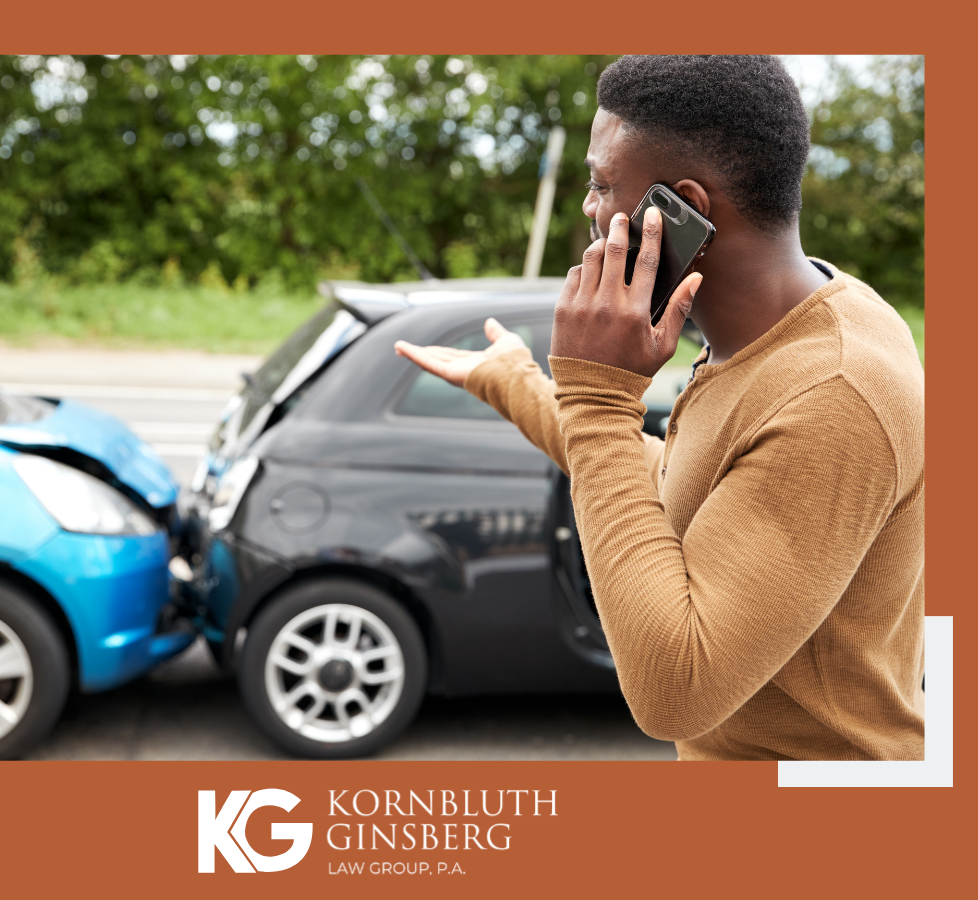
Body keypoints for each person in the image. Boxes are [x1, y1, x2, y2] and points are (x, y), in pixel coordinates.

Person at [395, 55, 924, 761]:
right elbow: (691, 481)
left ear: (684, 210)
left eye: (603, 182)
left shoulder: (835, 390)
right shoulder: (798, 324)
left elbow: (676, 690)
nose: (590, 205)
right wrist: (518, 385)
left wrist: (599, 395)